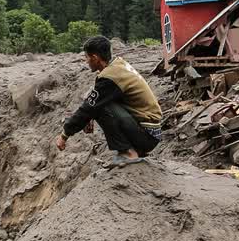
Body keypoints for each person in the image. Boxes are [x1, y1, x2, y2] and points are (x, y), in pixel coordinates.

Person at [56, 36, 162, 166]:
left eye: (87, 57)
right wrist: (90, 114)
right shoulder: (118, 64)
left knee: (98, 107)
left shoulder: (110, 77)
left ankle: (128, 153)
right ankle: (133, 151)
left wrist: (64, 135)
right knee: (97, 103)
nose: (86, 61)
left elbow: (88, 107)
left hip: (147, 135)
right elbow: (97, 98)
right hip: (150, 131)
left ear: (95, 58)